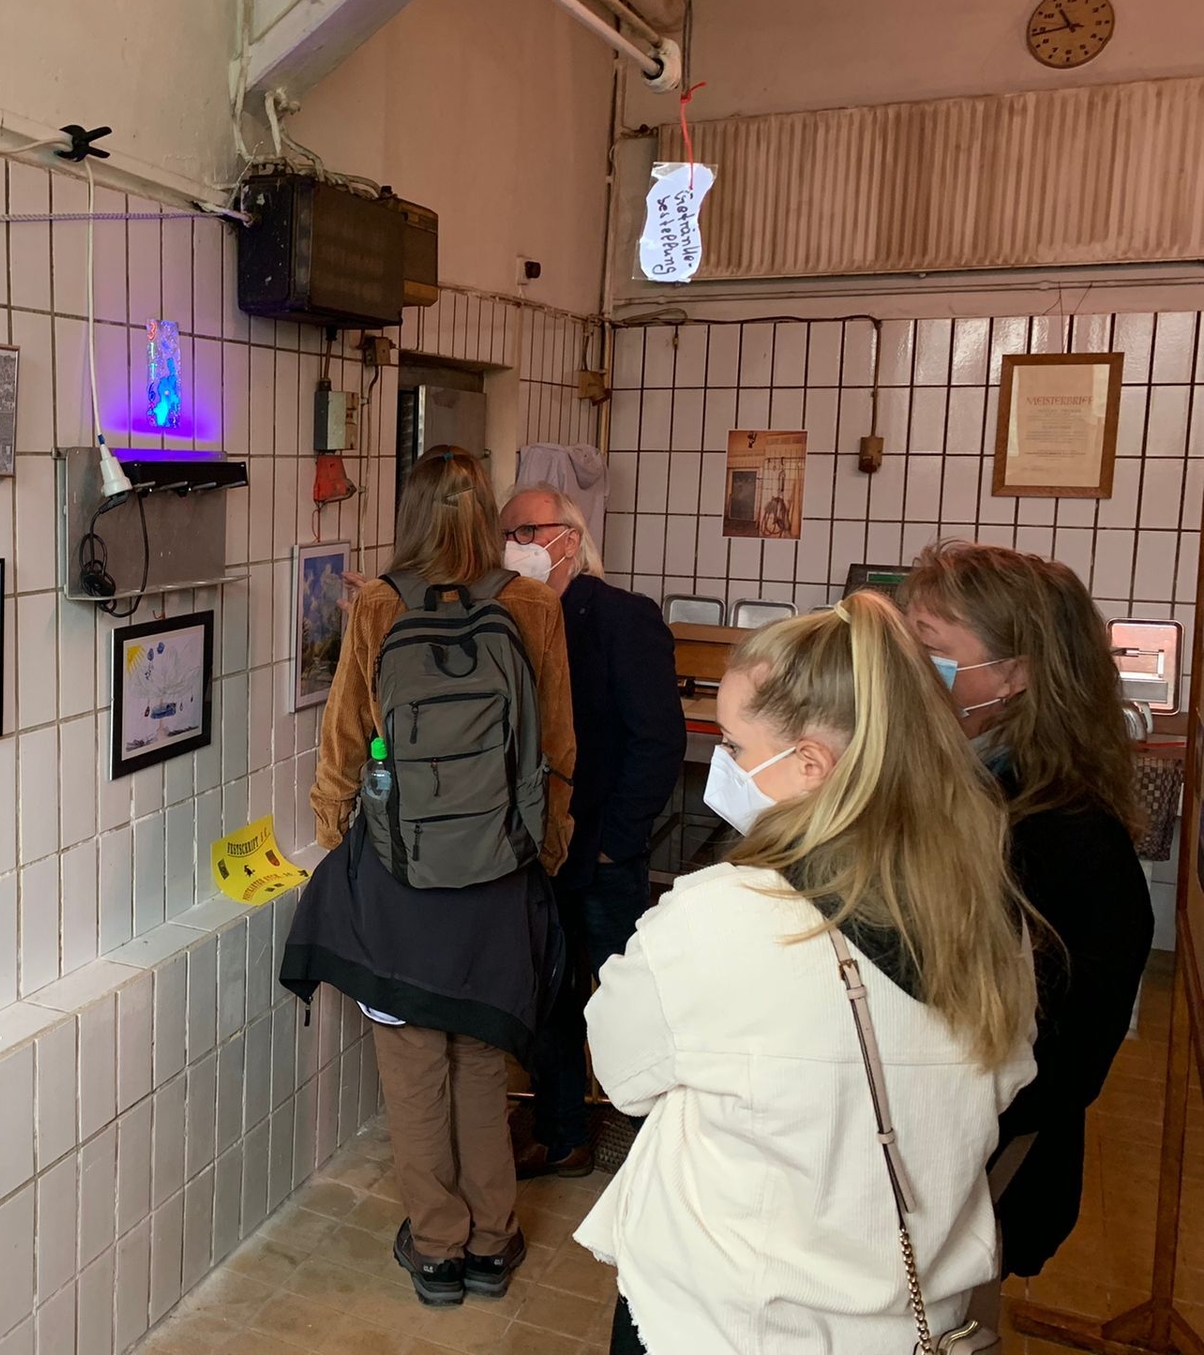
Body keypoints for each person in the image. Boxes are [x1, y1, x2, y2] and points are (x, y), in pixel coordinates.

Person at [578, 593, 1037, 1354]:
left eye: (735, 746)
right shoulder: (988, 914)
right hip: (910, 1318)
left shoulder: (720, 916)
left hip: (727, 1318)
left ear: (812, 765)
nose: (724, 767)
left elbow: (622, 1072)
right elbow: (1008, 1080)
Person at [280, 447, 576, 1309]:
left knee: (411, 1068)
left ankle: (438, 1250)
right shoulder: (532, 605)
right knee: (481, 1058)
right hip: (498, 874)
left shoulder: (379, 604)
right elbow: (558, 746)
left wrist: (341, 834)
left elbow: (343, 739)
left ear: (409, 515)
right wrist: (547, 851)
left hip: (403, 872)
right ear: (488, 514)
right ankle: (492, 1241)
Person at [904, 540, 1153, 1278]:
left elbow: (1065, 1062)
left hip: (976, 1168)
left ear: (1014, 675)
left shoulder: (1066, 836)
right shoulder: (952, 778)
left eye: (931, 650)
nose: (908, 669)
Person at [498, 481, 685, 1177]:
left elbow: (658, 740)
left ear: (569, 539)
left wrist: (617, 840)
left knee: (623, 1000)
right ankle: (563, 1131)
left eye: (527, 532)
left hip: (602, 847)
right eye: (506, 535)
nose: (514, 546)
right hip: (537, 846)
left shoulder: (619, 617)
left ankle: (655, 1146)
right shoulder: (510, 614)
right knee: (547, 997)